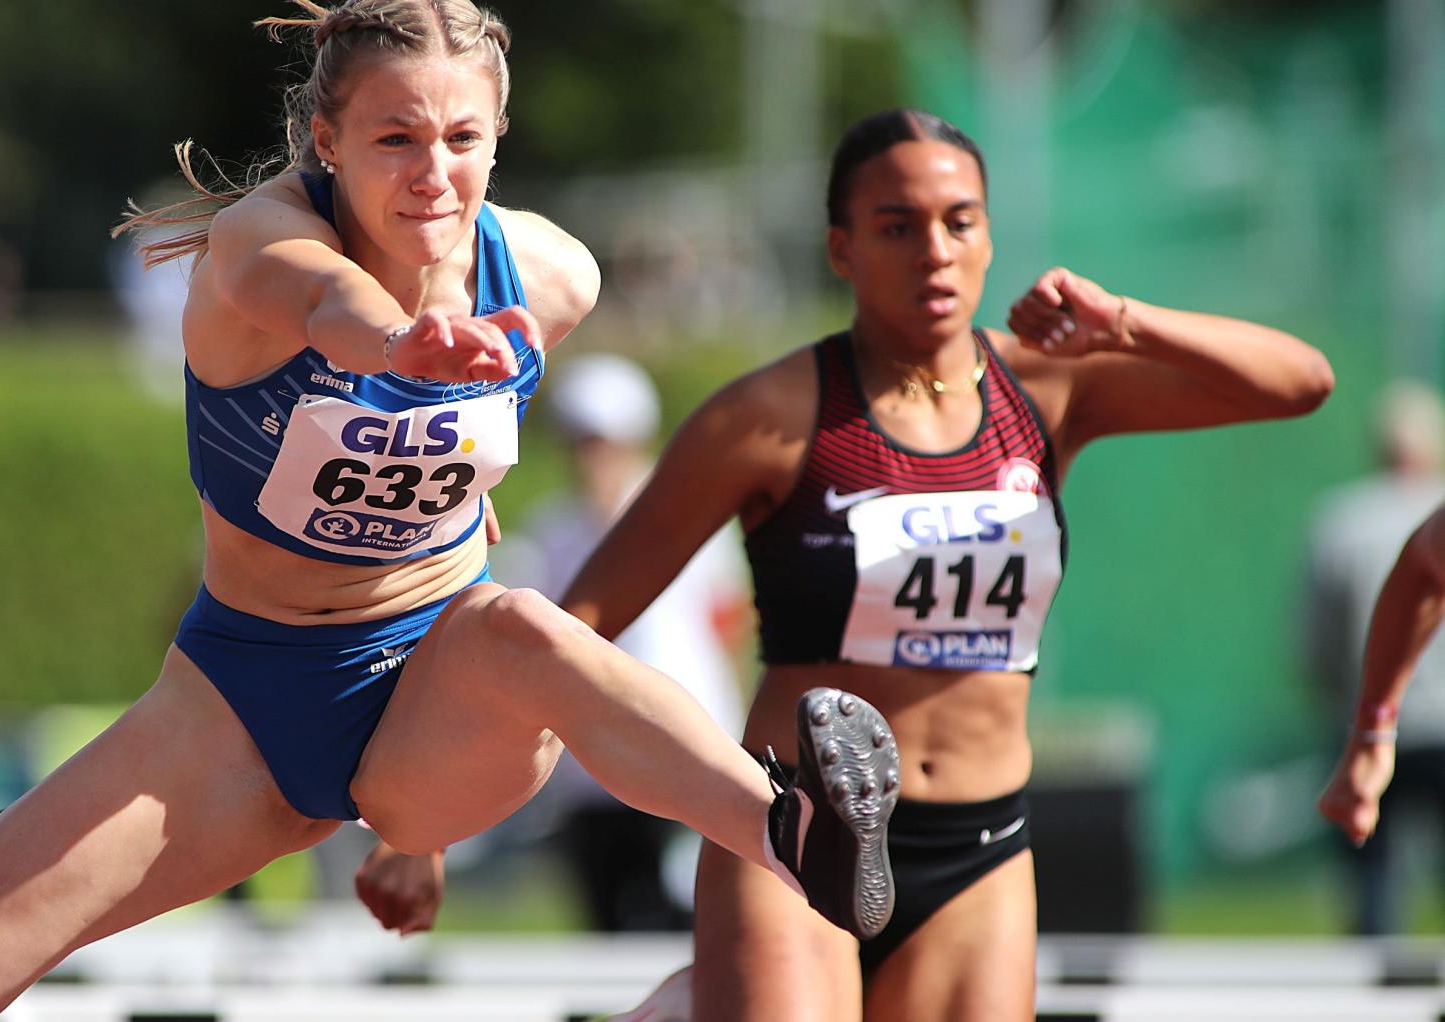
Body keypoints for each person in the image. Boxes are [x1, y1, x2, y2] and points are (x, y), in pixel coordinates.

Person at [0, 5, 897, 1019]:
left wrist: (425, 817)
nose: (431, 173)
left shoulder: (547, 276)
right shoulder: (258, 243)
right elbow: (319, 303)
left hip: (435, 697)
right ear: (326, 140)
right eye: (394, 138)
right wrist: (399, 346)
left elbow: (444, 481)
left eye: (460, 137)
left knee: (525, 626)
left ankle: (790, 829)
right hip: (243, 703)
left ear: (496, 141)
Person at [559, 108, 1334, 1020]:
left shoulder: (1049, 387)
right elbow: (578, 626)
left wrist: (1124, 321)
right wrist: (431, 832)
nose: (934, 249)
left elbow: (1298, 382)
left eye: (959, 221)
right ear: (842, 249)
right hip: (797, 833)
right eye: (898, 225)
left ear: (989, 236)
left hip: (979, 847)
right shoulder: (765, 417)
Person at [497, 352, 750, 931]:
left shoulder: (687, 517)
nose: (596, 459)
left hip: (690, 762)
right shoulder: (550, 532)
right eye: (584, 443)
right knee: (610, 929)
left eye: (607, 442)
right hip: (592, 776)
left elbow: (725, 624)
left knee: (691, 929)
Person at [1304, 381, 1445, 933]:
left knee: (1372, 892)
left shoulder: (1339, 522)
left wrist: (1359, 719)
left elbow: (1316, 641)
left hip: (1371, 726)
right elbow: (1417, 573)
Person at [1317, 498, 1445, 903]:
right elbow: (1424, 563)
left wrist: (1371, 730)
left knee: (1372, 872)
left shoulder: (1342, 520)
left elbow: (1422, 564)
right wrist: (1372, 730)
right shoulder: (1344, 520)